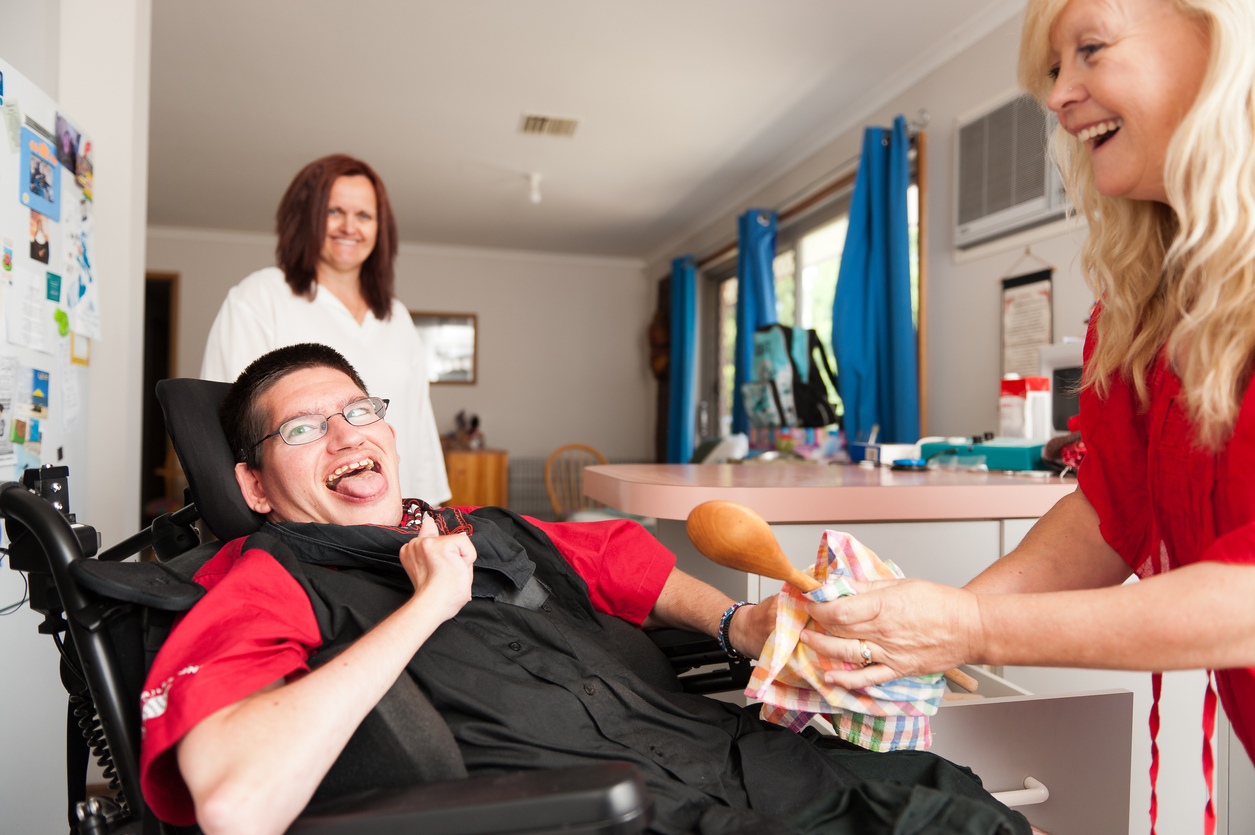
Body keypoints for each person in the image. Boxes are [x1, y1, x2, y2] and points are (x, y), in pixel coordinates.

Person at [139, 343, 1029, 835]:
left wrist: (739, 619)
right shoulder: (266, 579)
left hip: (742, 760)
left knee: (963, 808)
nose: (344, 435)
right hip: (607, 813)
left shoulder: (476, 525)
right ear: (255, 485)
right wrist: (424, 610)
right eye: (303, 426)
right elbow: (234, 799)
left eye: (359, 410)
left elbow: (613, 558)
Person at [801, 0, 1255, 774]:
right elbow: (1107, 512)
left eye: (1089, 50)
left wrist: (972, 625)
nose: (1056, 96)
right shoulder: (1144, 308)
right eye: (1053, 68)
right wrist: (917, 628)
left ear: (1223, 41)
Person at [201, 154, 450, 505]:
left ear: (380, 229)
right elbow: (227, 428)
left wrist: (428, 511)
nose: (350, 227)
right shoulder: (260, 297)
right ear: (307, 219)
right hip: (307, 522)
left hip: (397, 515)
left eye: (363, 215)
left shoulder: (396, 316)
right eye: (334, 212)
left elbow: (420, 426)